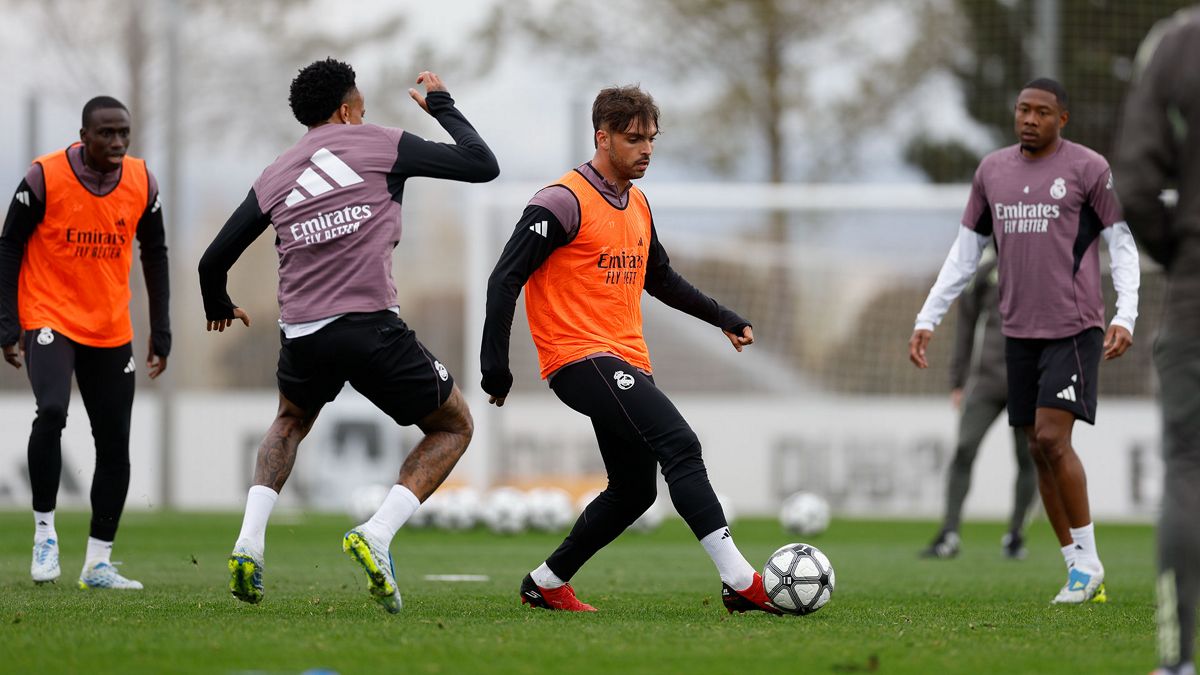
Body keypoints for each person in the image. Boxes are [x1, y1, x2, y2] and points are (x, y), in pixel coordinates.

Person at [198, 59, 498, 614]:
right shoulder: (381, 144)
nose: (364, 113)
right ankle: (377, 534)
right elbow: (483, 165)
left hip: (303, 334)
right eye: (360, 106)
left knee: (290, 421)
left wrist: (216, 302)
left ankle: (249, 542)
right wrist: (442, 106)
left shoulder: (276, 174)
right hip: (369, 327)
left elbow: (212, 260)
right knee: (454, 425)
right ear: (344, 110)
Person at [481, 85, 776, 614]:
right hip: (578, 358)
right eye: (634, 138)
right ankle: (739, 580)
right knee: (680, 443)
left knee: (634, 491)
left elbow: (659, 278)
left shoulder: (637, 203)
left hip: (627, 359)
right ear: (603, 137)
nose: (647, 149)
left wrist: (723, 317)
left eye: (652, 139)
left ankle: (546, 582)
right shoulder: (561, 201)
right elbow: (505, 278)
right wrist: (494, 366)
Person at [908, 78, 1140, 604]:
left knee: (1053, 439)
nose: (1029, 119)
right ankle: (1077, 567)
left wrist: (1126, 314)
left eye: (1041, 112)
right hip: (1017, 333)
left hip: (1073, 328)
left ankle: (1089, 563)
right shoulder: (992, 171)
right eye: (1022, 110)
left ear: (1063, 119)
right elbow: (964, 254)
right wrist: (928, 317)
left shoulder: (1088, 168)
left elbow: (1121, 244)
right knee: (1038, 448)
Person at [0, 96, 171, 590]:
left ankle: (98, 561)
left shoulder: (142, 181)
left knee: (114, 442)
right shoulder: (44, 177)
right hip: (49, 314)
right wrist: (7, 324)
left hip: (110, 326)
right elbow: (9, 245)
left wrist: (161, 329)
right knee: (52, 411)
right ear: (84, 135)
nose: (117, 142)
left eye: (124, 133)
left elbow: (155, 252)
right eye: (106, 133)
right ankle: (44, 535)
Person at [1113, 7, 1200, 674]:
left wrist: (1180, 253)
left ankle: (1176, 661)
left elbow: (1137, 184)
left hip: (1196, 292)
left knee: (1188, 469)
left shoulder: (1178, 43)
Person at [920, 250, 1037, 560]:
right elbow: (965, 325)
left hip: (1029, 382)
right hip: (986, 381)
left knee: (1028, 458)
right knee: (964, 449)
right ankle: (949, 533)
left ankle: (1015, 535)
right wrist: (958, 380)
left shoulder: (1044, 263)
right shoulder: (986, 271)